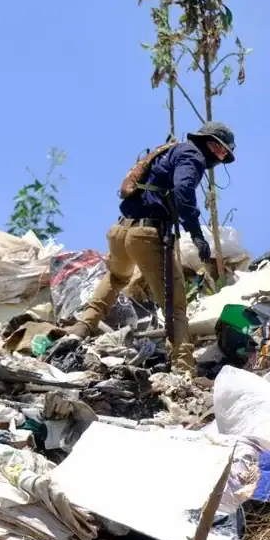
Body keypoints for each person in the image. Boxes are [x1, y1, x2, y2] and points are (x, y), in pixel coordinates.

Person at [70, 121, 236, 370]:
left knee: (116, 278)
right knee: (175, 303)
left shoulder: (170, 150)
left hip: (120, 231)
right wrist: (196, 234)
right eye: (223, 152)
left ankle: (79, 331)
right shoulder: (193, 156)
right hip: (146, 235)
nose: (222, 158)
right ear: (211, 144)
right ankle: (184, 368)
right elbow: (183, 189)